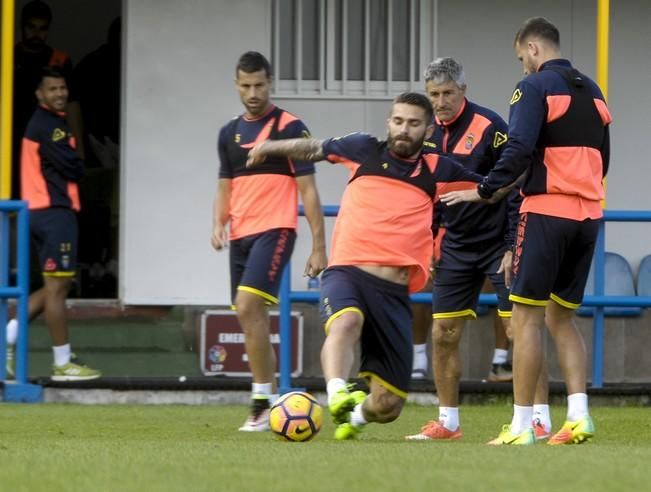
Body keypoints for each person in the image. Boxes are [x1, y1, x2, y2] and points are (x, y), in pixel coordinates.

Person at [246, 92, 483, 440]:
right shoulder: (363, 149)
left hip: (394, 293)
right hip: (348, 272)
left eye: (414, 123)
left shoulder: (439, 169)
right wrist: (268, 147)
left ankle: (354, 417)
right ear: (389, 122)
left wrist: (490, 188)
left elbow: (492, 186)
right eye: (398, 121)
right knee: (347, 322)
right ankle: (338, 391)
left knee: (388, 406)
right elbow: (313, 148)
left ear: (428, 129)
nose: (404, 129)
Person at [441, 17, 612, 445]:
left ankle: (521, 426)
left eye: (521, 58)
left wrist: (485, 190)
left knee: (526, 317)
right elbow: (603, 157)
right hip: (589, 216)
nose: (522, 67)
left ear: (533, 49)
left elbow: (517, 148)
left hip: (546, 213)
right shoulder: (593, 91)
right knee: (562, 317)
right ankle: (579, 416)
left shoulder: (533, 88)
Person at [406, 57, 551, 441]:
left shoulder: (491, 127)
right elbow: (428, 196)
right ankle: (448, 423)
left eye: (447, 94)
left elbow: (517, 183)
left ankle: (539, 418)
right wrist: (430, 243)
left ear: (463, 91)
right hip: (454, 247)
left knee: (520, 329)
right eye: (433, 94)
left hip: (497, 245)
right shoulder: (426, 134)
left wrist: (509, 245)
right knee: (444, 333)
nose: (440, 102)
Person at [211, 52, 327, 432]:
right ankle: (267, 399)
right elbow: (225, 184)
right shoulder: (228, 133)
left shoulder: (291, 126)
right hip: (241, 234)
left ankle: (262, 402)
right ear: (235, 84)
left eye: (259, 85)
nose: (253, 92)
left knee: (247, 305)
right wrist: (218, 223)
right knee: (248, 314)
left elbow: (308, 191)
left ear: (270, 81)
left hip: (276, 229)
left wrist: (318, 244)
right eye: (245, 86)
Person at [4, 67, 101, 381]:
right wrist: (78, 155)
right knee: (58, 289)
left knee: (54, 286)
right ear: (39, 94)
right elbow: (75, 167)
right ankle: (62, 363)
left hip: (43, 213)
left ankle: (9, 333)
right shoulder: (50, 127)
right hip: (53, 213)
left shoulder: (44, 123)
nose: (60, 93)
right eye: (52, 89)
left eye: (62, 88)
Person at [12, 0, 83, 200]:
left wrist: (78, 149)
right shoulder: (8, 57)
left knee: (49, 197)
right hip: (14, 140)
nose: (36, 34)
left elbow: (72, 104)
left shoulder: (59, 60)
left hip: (51, 140)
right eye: (31, 27)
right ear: (22, 27)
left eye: (43, 29)